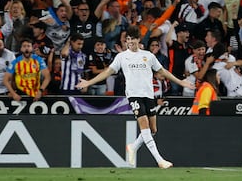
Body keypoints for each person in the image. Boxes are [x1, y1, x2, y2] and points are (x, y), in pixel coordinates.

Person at [76, 25, 194, 168]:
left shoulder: (148, 56)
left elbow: (163, 71)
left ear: (138, 40)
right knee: (144, 125)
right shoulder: (122, 57)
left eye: (133, 39)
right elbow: (107, 72)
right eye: (128, 39)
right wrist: (89, 82)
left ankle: (133, 147)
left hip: (149, 95)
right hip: (134, 95)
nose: (130, 42)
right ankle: (159, 160)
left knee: (153, 129)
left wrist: (180, 82)